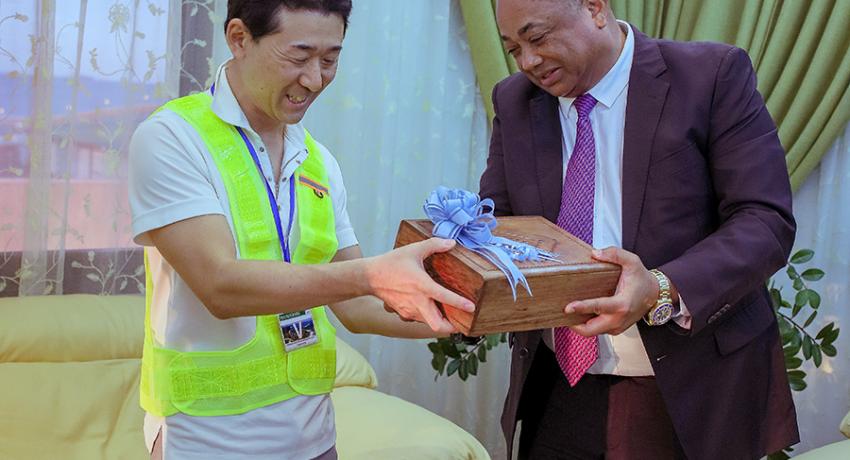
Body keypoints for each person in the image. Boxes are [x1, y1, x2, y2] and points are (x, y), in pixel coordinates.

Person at [128, 1, 474, 459]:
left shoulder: (318, 162)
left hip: (316, 441)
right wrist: (373, 273)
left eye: (330, 60)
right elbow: (220, 286)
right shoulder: (172, 138)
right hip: (205, 442)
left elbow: (357, 306)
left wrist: (473, 311)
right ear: (238, 38)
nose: (315, 80)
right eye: (298, 56)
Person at [479, 0, 799, 458]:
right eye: (514, 49)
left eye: (538, 37)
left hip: (688, 386)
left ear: (594, 8)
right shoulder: (515, 101)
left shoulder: (708, 75)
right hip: (557, 382)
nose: (528, 62)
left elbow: (765, 220)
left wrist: (659, 289)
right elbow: (501, 223)